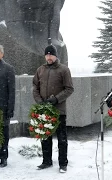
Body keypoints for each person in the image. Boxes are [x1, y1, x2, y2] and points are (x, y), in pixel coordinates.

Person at [32, 44, 74, 173]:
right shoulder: (40, 70)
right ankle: (46, 161)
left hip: (58, 110)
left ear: (56, 56)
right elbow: (35, 87)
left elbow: (69, 89)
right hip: (43, 110)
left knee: (61, 138)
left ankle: (63, 163)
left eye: (51, 54)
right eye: (47, 54)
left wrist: (56, 99)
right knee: (45, 137)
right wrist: (40, 101)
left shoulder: (64, 70)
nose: (49, 57)